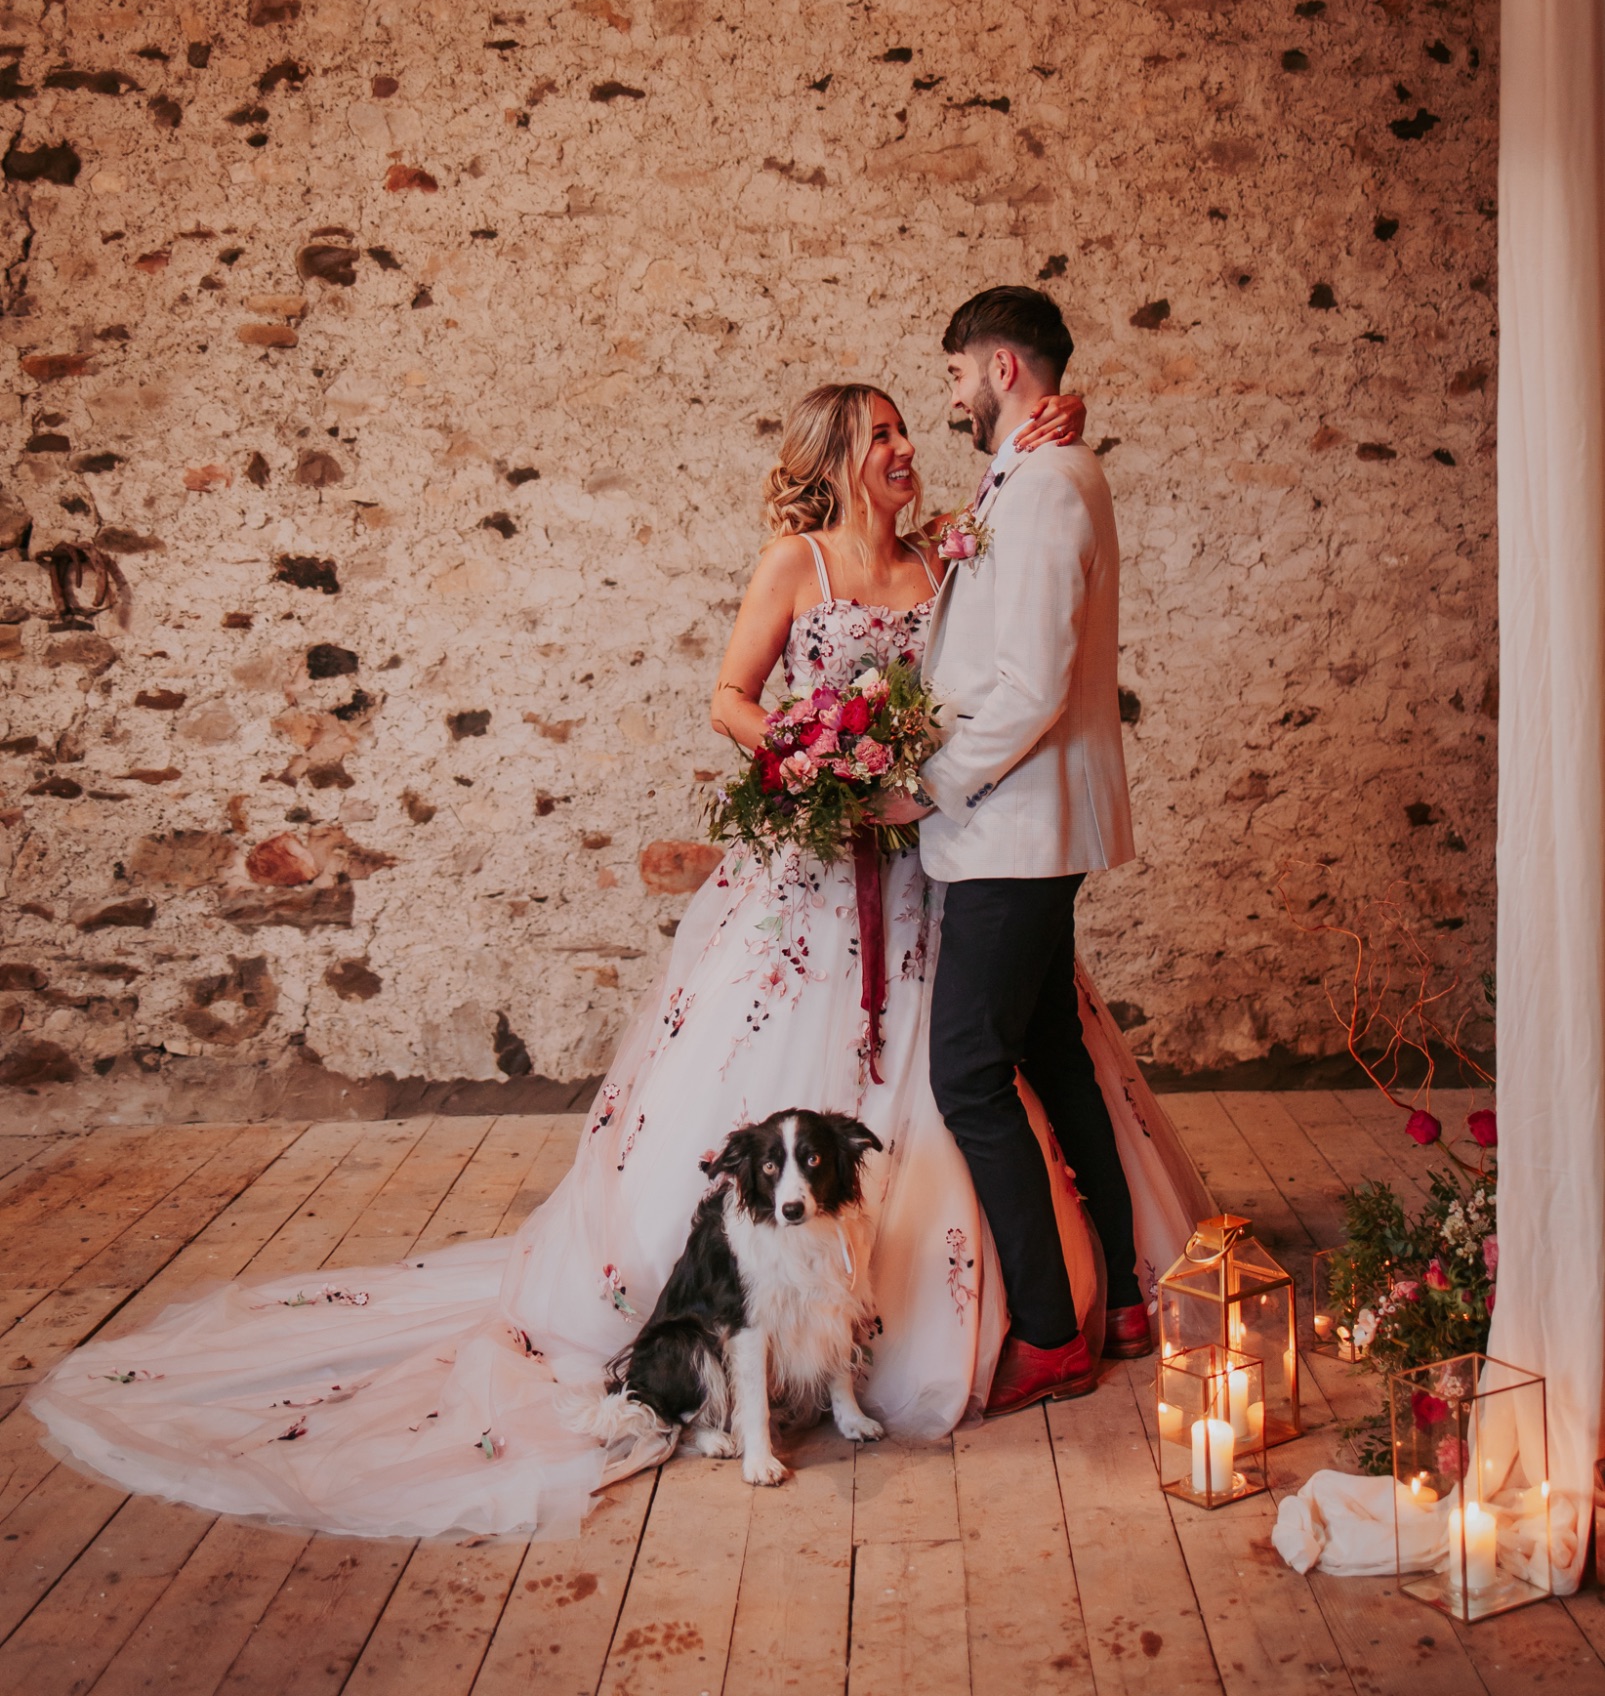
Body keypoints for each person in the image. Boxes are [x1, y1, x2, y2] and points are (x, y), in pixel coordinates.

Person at [29, 369, 1205, 1542]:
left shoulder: (946, 553)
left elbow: (1017, 528)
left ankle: (1038, 1303)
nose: (907, 449)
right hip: (816, 871)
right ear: (842, 455)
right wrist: (802, 753)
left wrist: (1059, 421)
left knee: (985, 1058)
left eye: (911, 428)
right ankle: (757, 1320)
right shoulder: (800, 563)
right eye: (887, 434)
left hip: (933, 864)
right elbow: (729, 695)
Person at [881, 286, 1149, 1416]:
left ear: (1002, 368)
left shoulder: (1044, 487)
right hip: (1024, 824)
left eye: (953, 375)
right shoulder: (1032, 469)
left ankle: (1051, 1331)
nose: (946, 396)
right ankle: (1126, 1295)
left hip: (1012, 827)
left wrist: (924, 787)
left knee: (970, 1074)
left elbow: (1031, 685)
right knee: (1048, 1051)